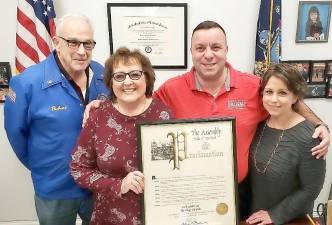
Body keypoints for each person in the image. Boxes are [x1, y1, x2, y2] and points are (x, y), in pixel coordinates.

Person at [84, 20, 330, 219]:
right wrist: (104, 105)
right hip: (187, 190)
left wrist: (320, 125)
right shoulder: (171, 89)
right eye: (200, 48)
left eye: (216, 47)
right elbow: (137, 99)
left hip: (240, 190)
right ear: (191, 52)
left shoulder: (254, 86)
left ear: (226, 49)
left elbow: (289, 99)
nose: (208, 55)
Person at [4, 14, 109, 225]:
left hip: (97, 184)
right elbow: (16, 134)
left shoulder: (102, 73)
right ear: (56, 42)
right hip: (55, 188)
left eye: (87, 43)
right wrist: (45, 167)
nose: (81, 51)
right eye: (73, 42)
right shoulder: (26, 83)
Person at [70, 47, 172, 225]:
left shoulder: (164, 115)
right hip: (109, 217)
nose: (127, 82)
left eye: (135, 74)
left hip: (157, 216)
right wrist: (118, 185)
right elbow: (78, 168)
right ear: (110, 82)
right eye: (119, 76)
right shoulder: (98, 116)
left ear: (147, 78)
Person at [246, 63, 325, 225]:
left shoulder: (309, 137)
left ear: (295, 97)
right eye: (269, 92)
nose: (274, 99)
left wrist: (275, 215)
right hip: (256, 216)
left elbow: (311, 188)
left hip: (290, 219)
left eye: (282, 93)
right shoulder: (260, 125)